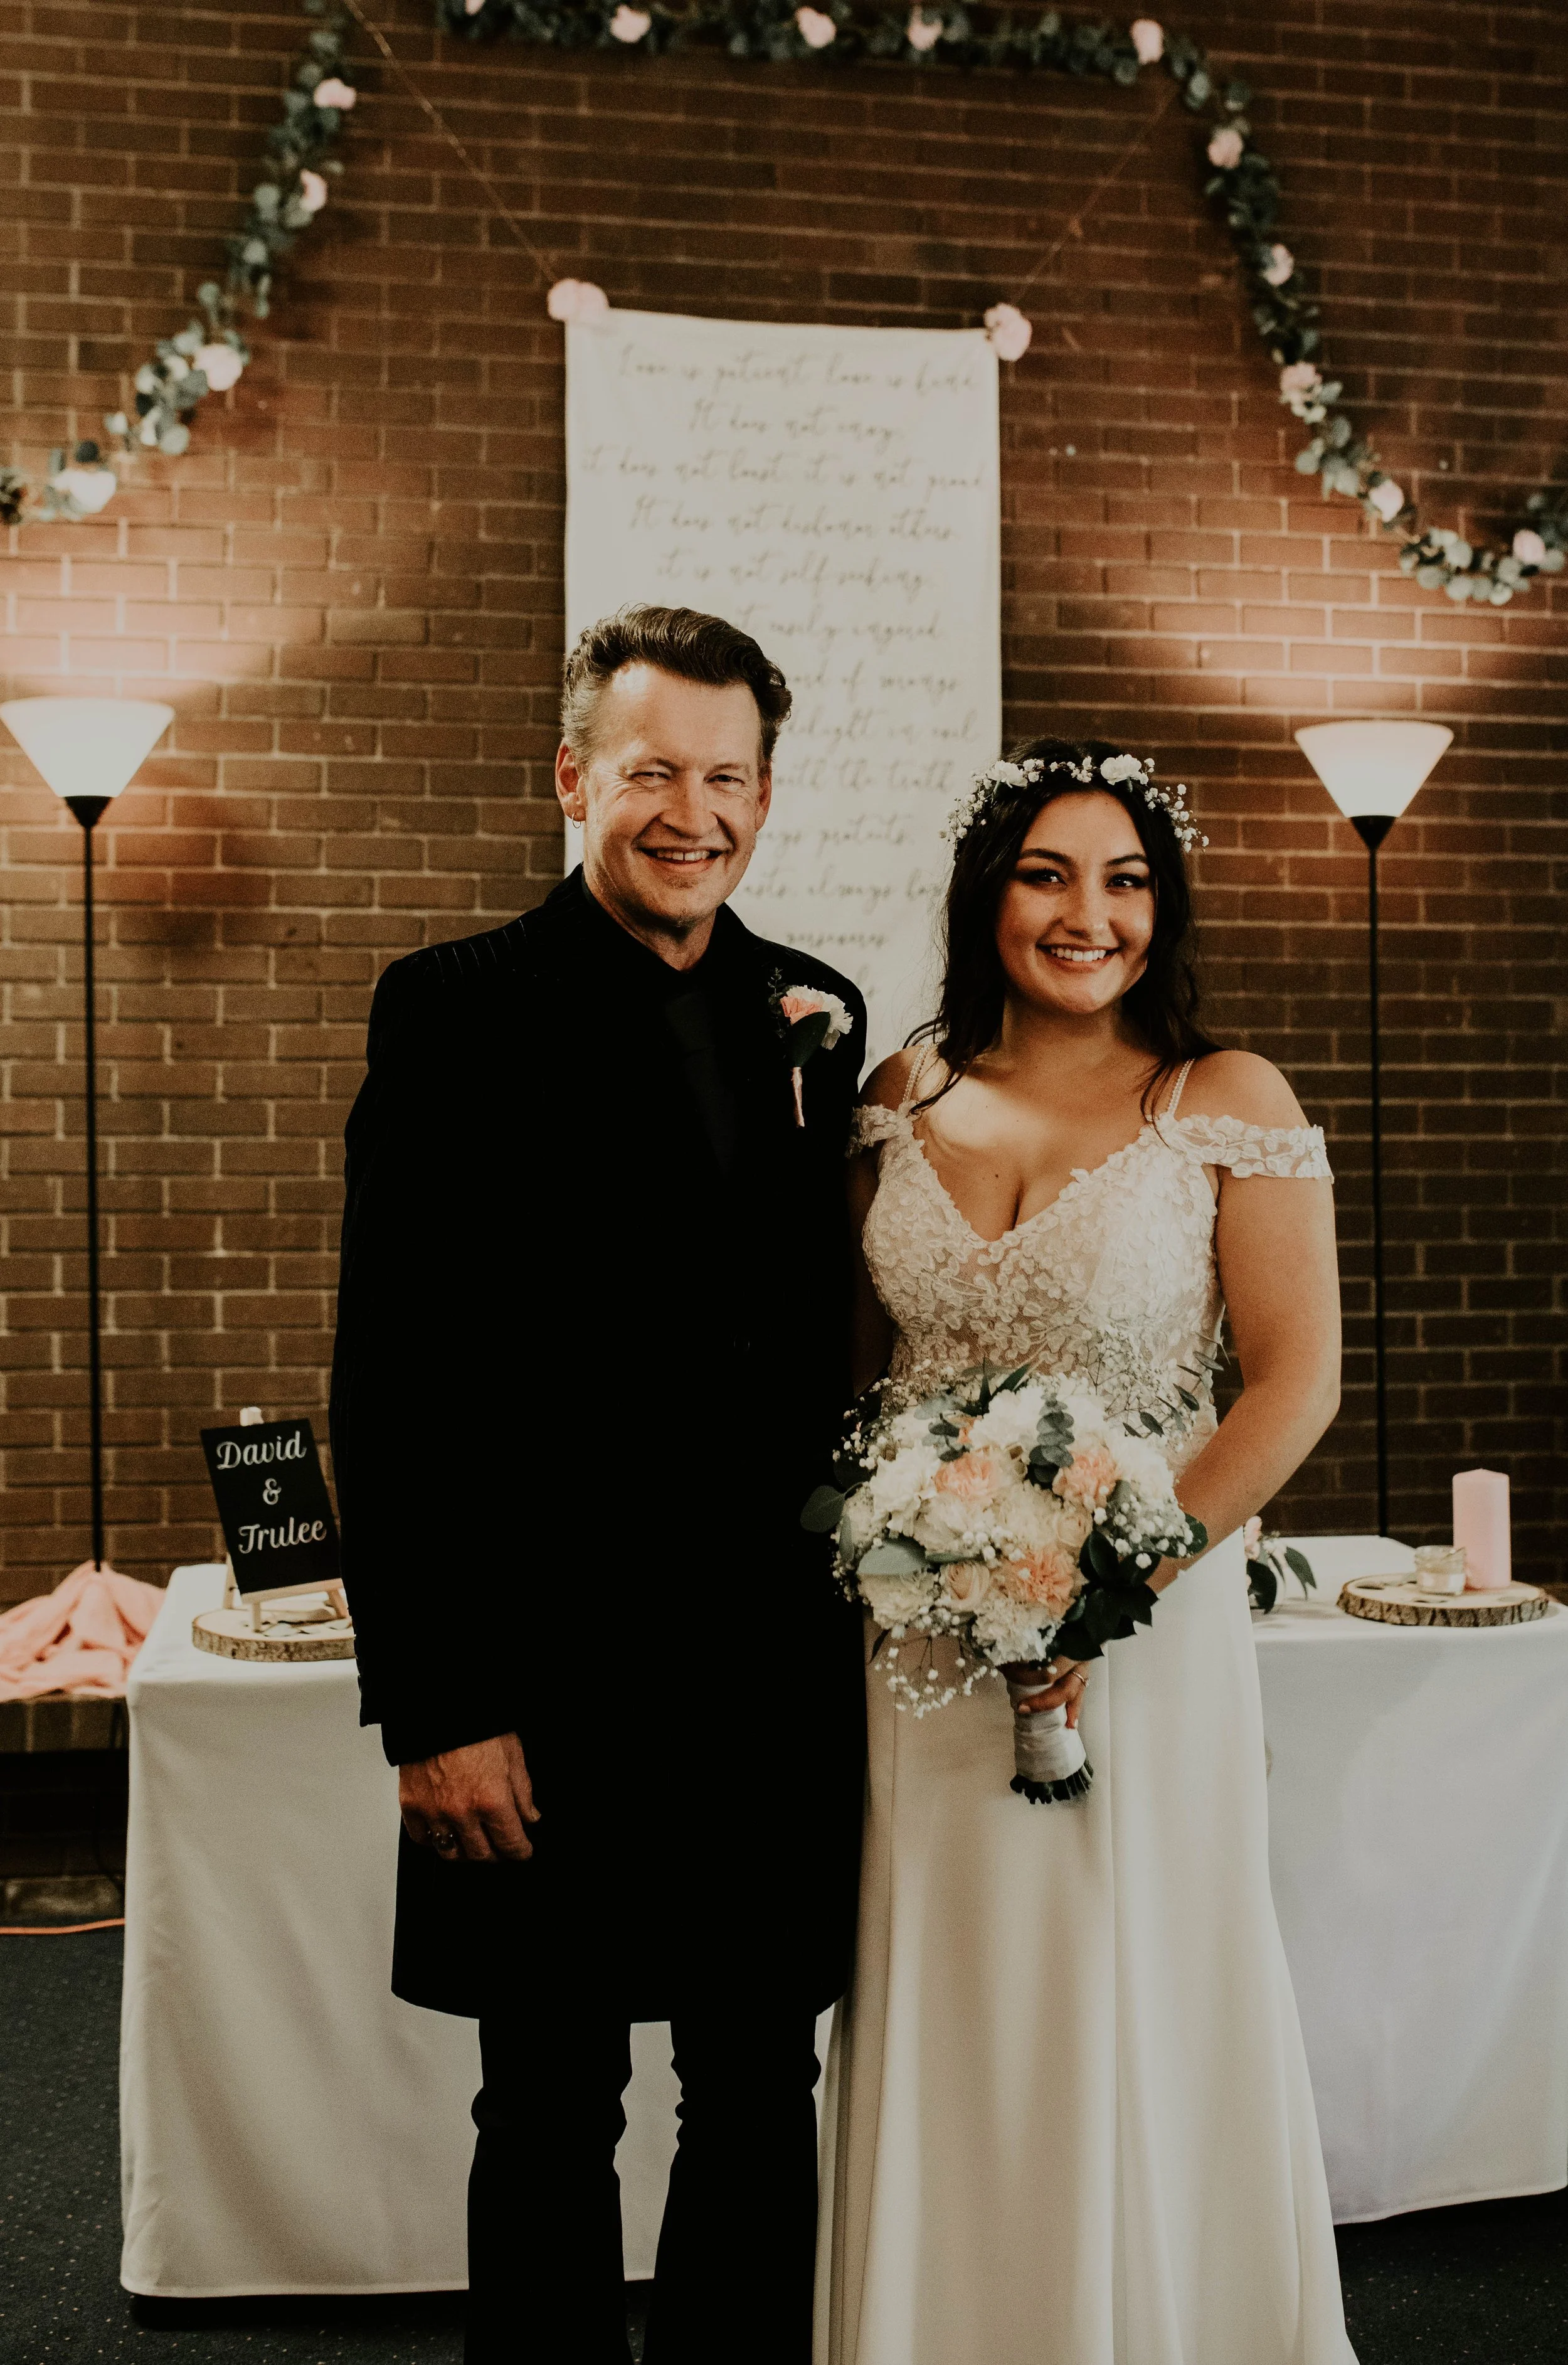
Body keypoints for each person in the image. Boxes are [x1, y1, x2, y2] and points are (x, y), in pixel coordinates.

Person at [330, 605, 867, 2365]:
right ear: (575, 778)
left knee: (757, 2084)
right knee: (547, 2098)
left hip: (764, 1683)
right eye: (652, 770)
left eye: (725, 776)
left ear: (765, 799)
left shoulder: (820, 1014)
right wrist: (437, 1703)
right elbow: (392, 1382)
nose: (688, 809)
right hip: (540, 1681)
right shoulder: (454, 1007)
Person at [817, 739, 1355, 2364]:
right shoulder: (896, 1097)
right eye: (1047, 873)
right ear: (990, 894)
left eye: (1122, 879)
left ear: (1160, 904)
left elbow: (1291, 1384)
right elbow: (855, 1381)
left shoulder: (1223, 1102)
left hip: (1137, 1631)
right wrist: (901, 1540)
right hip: (920, 1638)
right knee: (954, 1985)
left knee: (1129, 1983)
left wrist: (1109, 1578)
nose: (1085, 913)